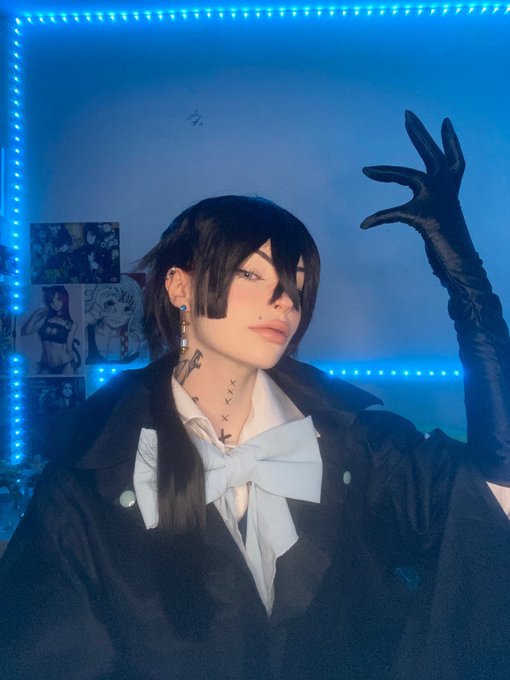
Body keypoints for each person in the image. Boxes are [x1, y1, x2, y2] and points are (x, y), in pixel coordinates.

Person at [1, 112, 510, 680]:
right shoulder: (87, 478)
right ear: (179, 286)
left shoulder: (353, 443)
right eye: (250, 274)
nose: (285, 299)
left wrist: (468, 284)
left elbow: (492, 492)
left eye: (296, 281)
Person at [20, 285, 79, 375]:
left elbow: (69, 348)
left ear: (64, 299)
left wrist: (74, 366)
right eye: (51, 301)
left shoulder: (71, 324)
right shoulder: (45, 319)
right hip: (45, 364)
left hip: (65, 364)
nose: (55, 304)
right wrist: (35, 315)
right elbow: (25, 332)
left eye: (58, 299)